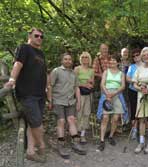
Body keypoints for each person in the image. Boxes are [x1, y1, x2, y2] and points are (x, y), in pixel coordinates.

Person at [4, 28, 47, 163]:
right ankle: (42, 147)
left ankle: (30, 151)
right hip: (27, 94)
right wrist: (12, 80)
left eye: (41, 36)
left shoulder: (40, 53)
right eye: (36, 35)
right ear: (29, 35)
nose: (39, 38)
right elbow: (18, 64)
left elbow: (44, 73)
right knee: (37, 123)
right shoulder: (24, 48)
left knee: (32, 123)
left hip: (40, 94)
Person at [48, 53, 86, 159]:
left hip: (70, 101)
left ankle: (75, 142)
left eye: (69, 59)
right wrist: (50, 101)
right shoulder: (56, 71)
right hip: (58, 100)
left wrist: (78, 102)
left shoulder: (74, 73)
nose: (68, 61)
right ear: (62, 60)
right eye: (65, 59)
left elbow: (76, 88)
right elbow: (50, 86)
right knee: (61, 121)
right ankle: (61, 144)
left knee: (72, 119)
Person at [96, 54, 128, 151]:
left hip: (117, 95)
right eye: (111, 61)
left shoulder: (121, 73)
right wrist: (107, 94)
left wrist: (114, 93)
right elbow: (102, 84)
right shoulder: (106, 72)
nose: (112, 62)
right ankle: (101, 140)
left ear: (118, 62)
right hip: (106, 94)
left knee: (115, 118)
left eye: (114, 60)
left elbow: (123, 86)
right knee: (105, 117)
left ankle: (110, 136)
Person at [133, 47, 148, 154]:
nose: (146, 57)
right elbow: (134, 83)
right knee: (141, 119)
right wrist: (140, 88)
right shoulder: (139, 68)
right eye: (144, 55)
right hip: (141, 95)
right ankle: (141, 141)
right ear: (142, 57)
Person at [74, 51, 94, 144]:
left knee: (87, 113)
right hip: (79, 93)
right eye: (83, 57)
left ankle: (83, 134)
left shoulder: (91, 70)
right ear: (81, 59)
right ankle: (76, 133)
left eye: (86, 57)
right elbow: (74, 83)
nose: (85, 59)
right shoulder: (77, 69)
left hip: (88, 94)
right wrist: (84, 85)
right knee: (79, 112)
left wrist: (90, 83)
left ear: (89, 59)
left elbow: (92, 83)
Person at [126, 48, 142, 140]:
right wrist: (135, 81)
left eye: (137, 55)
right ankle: (134, 130)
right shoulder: (131, 67)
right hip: (133, 90)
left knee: (144, 111)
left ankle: (144, 130)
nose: (136, 57)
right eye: (134, 56)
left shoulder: (146, 65)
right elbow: (127, 78)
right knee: (133, 110)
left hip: (143, 91)